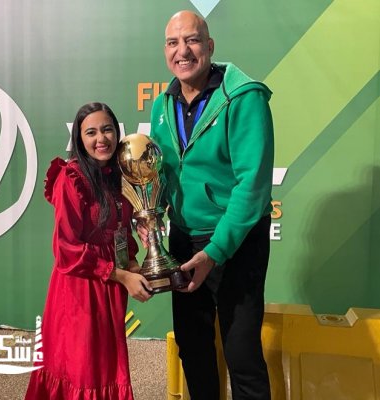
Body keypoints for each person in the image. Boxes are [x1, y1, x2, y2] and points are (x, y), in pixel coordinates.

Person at [148, 10, 274, 400]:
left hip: (236, 243)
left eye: (192, 40)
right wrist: (150, 217)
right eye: (173, 43)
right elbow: (163, 175)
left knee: (242, 354)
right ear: (165, 51)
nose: (182, 51)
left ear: (210, 45)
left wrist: (214, 253)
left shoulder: (244, 97)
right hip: (184, 241)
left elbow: (252, 187)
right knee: (194, 349)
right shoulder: (161, 105)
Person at [25, 102, 152, 400]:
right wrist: (121, 275)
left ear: (117, 132)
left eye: (107, 130)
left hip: (110, 288)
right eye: (91, 132)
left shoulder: (117, 177)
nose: (101, 139)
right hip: (79, 292)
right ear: (79, 139)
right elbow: (66, 250)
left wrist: (133, 263)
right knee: (82, 371)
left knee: (105, 370)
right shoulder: (71, 178)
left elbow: (120, 233)